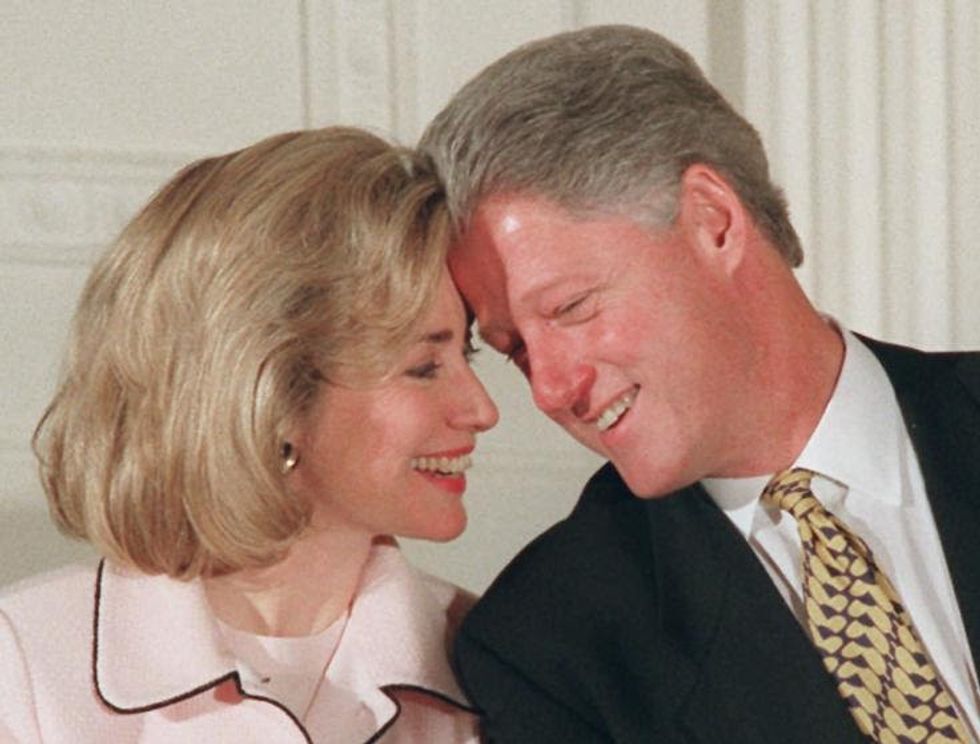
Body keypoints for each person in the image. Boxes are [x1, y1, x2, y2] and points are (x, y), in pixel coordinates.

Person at [419, 24, 980, 743]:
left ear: (713, 221)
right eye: (516, 351)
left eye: (571, 308)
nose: (551, 390)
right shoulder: (550, 646)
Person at [0, 126, 499, 743]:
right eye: (424, 367)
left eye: (466, 357)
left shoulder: (493, 664)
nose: (481, 409)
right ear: (272, 394)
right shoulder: (26, 664)